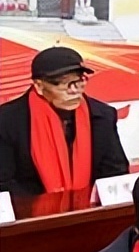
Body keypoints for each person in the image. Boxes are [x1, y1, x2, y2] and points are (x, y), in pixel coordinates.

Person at [0, 46, 128, 195]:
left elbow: (115, 172)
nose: (74, 90)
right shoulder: (7, 120)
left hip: (88, 205)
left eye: (79, 81)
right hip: (30, 207)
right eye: (63, 83)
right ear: (39, 86)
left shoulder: (103, 116)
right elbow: (4, 182)